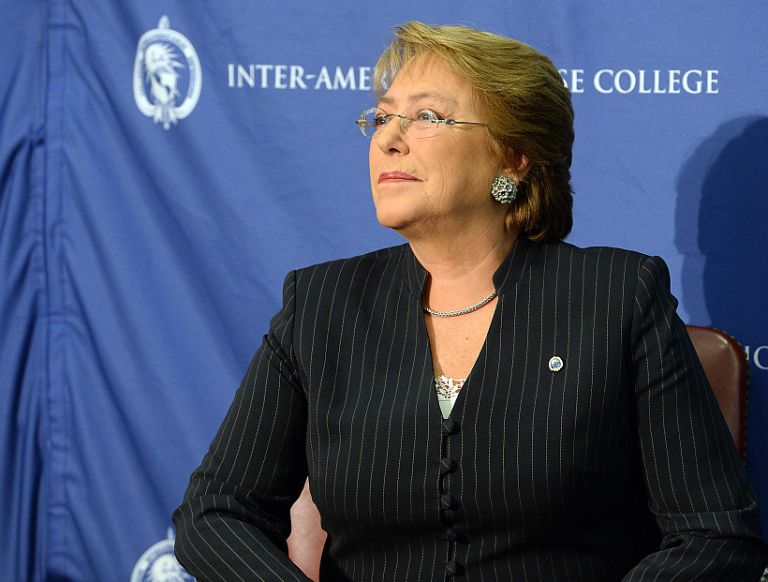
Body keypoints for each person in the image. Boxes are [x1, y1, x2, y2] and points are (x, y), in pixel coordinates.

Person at [172, 21, 768, 581]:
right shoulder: (321, 304)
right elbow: (217, 511)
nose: (388, 140)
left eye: (426, 116)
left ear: (513, 155)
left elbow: (715, 534)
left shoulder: (616, 297)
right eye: (381, 118)